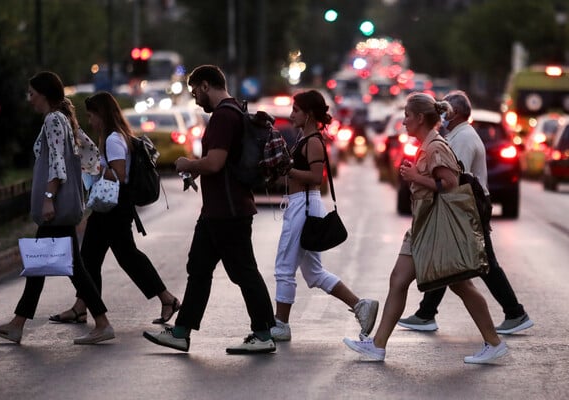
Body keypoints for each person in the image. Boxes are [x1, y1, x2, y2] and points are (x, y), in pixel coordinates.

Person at [342, 92, 509, 363]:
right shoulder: (426, 145)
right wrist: (417, 176)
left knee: (461, 285)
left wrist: (416, 177)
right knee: (399, 280)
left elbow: (451, 184)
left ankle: (493, 342)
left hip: (436, 227)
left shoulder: (436, 146)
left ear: (420, 118)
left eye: (407, 116)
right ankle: (378, 345)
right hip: (423, 225)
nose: (404, 121)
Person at [142, 65, 277, 354]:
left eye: (195, 92)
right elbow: (223, 163)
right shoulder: (234, 112)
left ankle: (264, 333)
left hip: (228, 211)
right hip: (218, 209)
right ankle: (181, 332)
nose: (194, 99)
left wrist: (188, 164)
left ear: (206, 86)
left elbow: (215, 162)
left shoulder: (223, 117)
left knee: (243, 272)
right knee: (199, 269)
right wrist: (196, 171)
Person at [0, 71, 114, 345]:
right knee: (45, 265)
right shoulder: (64, 119)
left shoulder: (54, 119)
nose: (29, 99)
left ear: (43, 94)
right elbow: (89, 153)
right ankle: (18, 324)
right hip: (60, 207)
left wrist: (47, 197)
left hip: (54, 207)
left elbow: (57, 162)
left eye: (31, 93)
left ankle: (101, 323)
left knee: (62, 267)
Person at [398, 90, 533, 335]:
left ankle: (514, 312)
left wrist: (418, 178)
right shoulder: (460, 135)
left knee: (482, 264)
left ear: (456, 113)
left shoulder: (461, 139)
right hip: (468, 205)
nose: (443, 115)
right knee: (452, 261)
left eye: (446, 110)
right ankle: (426, 313)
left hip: (467, 207)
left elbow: (452, 179)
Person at [49, 91, 181, 326]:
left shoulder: (113, 139)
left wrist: (96, 170)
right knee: (91, 257)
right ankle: (81, 307)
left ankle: (167, 298)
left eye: (91, 115)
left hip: (114, 208)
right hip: (110, 209)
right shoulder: (116, 137)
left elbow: (120, 175)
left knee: (125, 257)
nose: (91, 121)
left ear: (102, 114)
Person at [270, 90, 379, 342]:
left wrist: (289, 169)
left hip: (303, 206)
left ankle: (281, 324)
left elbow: (315, 179)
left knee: (284, 267)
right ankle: (360, 305)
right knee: (314, 273)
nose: (291, 115)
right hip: (304, 205)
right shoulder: (305, 139)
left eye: (296, 110)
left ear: (308, 114)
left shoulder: (313, 142)